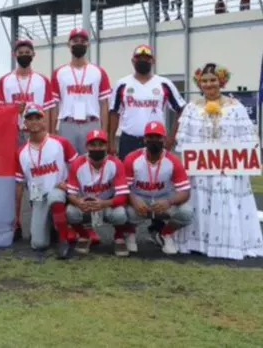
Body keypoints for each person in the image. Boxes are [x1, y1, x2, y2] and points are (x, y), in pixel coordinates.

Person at [174, 64, 263, 260]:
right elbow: (184, 141)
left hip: (228, 170)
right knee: (199, 202)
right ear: (200, 83)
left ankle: (228, 244)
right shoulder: (191, 108)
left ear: (221, 81)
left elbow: (247, 139)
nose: (209, 84)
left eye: (213, 79)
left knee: (227, 202)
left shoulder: (236, 107)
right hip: (200, 170)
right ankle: (198, 243)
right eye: (204, 81)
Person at [14, 104, 78, 260]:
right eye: (30, 118)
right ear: (25, 124)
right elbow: (19, 185)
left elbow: (79, 167)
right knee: (38, 244)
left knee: (55, 197)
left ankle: (64, 239)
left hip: (59, 192)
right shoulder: (20, 152)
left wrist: (69, 182)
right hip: (38, 196)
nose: (34, 121)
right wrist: (17, 219)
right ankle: (52, 228)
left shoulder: (60, 142)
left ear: (44, 120)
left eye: (38, 117)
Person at [123, 121, 193, 255]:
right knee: (122, 211)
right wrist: (134, 201)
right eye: (150, 137)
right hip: (139, 198)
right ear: (144, 139)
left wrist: (169, 202)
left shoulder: (173, 160)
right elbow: (124, 188)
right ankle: (130, 233)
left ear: (164, 139)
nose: (153, 140)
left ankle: (165, 233)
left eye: (158, 137)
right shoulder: (132, 158)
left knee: (186, 212)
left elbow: (185, 192)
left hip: (163, 200)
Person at [109, 44, 185, 160]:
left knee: (157, 175)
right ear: (133, 61)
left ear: (153, 61)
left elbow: (182, 110)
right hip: (129, 140)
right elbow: (114, 113)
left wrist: (171, 138)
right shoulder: (122, 84)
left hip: (156, 140)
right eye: (139, 58)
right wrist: (111, 141)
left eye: (147, 58)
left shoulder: (164, 83)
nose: (143, 61)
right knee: (128, 176)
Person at [66, 129, 130, 257]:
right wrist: (78, 202)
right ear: (87, 146)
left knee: (121, 214)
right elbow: (70, 194)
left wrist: (104, 203)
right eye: (93, 145)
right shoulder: (77, 163)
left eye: (101, 145)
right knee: (70, 212)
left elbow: (122, 197)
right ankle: (84, 236)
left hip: (107, 204)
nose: (97, 148)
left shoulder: (115, 163)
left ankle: (119, 237)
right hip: (86, 205)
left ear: (106, 146)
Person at [51, 28, 112, 153]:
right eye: (75, 41)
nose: (79, 44)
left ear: (88, 44)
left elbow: (104, 104)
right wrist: (52, 132)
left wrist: (104, 132)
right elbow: (54, 106)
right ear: (69, 44)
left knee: (90, 163)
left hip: (91, 123)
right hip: (67, 124)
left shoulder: (99, 72)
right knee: (67, 163)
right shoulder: (59, 73)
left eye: (83, 41)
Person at [0, 39, 55, 144]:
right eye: (21, 53)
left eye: (27, 52)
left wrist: (49, 134)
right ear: (14, 54)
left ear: (33, 54)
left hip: (36, 131)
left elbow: (48, 111)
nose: (24, 55)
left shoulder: (42, 80)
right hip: (13, 131)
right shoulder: (4, 81)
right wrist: (14, 111)